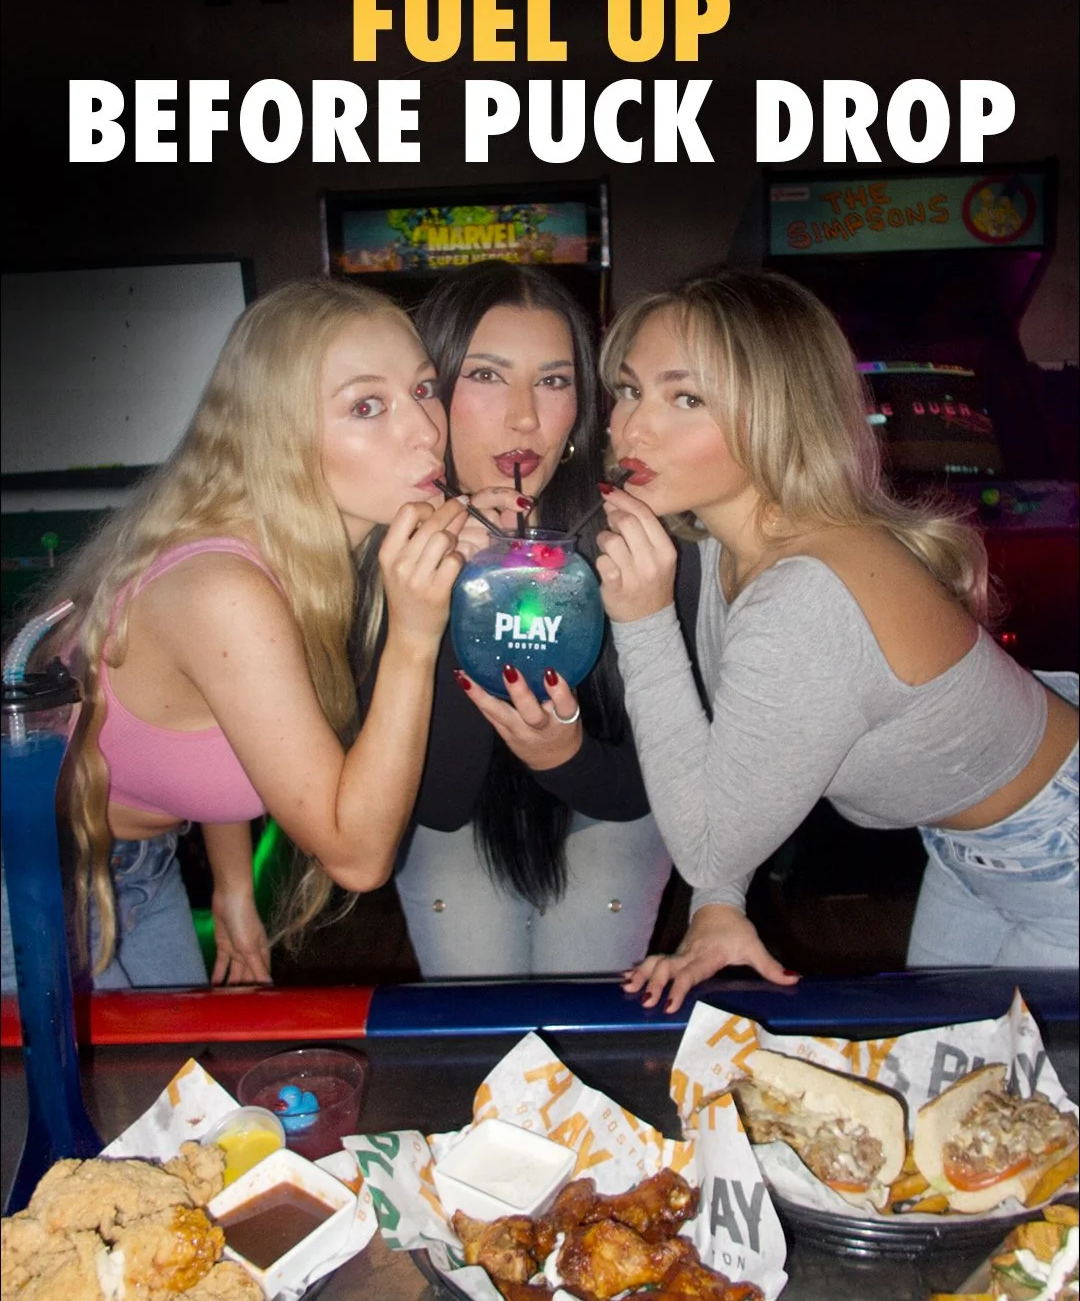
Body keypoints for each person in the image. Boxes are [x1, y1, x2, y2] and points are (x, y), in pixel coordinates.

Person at [594, 269, 1079, 1010]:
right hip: (972, 846)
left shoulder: (805, 594)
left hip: (1059, 850)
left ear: (782, 414)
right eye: (630, 390)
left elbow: (709, 845)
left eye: (686, 398)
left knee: (1019, 1081)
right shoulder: (726, 544)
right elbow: (740, 761)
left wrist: (641, 620)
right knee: (943, 1053)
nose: (632, 428)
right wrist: (719, 904)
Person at [1, 279, 473, 992]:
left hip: (135, 860)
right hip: (26, 877)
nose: (427, 431)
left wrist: (232, 885)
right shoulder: (226, 590)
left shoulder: (295, 556)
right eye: (366, 406)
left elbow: (225, 720)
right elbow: (357, 857)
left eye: (423, 389)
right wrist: (414, 635)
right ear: (278, 435)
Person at [356, 261, 673, 977]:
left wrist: (566, 755)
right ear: (430, 393)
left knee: (580, 1002)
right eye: (486, 376)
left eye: (554, 381)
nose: (525, 417)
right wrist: (457, 596)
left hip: (605, 805)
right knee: (480, 1003)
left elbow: (652, 786)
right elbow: (437, 804)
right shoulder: (384, 542)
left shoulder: (630, 537)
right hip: (453, 822)